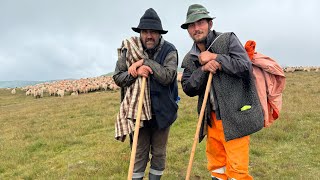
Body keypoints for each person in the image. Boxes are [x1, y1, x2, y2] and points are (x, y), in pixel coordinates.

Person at [180, 4, 264, 180]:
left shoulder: (227, 39)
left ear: (210, 23)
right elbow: (188, 88)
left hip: (234, 117)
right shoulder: (190, 58)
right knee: (217, 169)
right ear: (188, 30)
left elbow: (244, 67)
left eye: (200, 22)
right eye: (192, 25)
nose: (196, 28)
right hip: (210, 121)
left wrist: (216, 57)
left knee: (237, 171)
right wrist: (203, 70)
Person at [113, 8, 179, 180]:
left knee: (159, 153)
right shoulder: (129, 49)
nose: (149, 36)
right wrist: (134, 72)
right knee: (139, 153)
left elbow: (168, 76)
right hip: (137, 112)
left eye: (153, 32)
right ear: (140, 33)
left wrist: (145, 62)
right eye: (145, 32)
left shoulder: (170, 50)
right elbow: (118, 77)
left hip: (163, 112)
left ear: (159, 33)